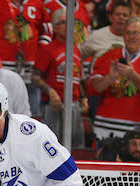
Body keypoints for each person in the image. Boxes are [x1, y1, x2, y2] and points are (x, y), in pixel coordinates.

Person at [89, 17, 140, 145]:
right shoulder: (108, 56)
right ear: (123, 35)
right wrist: (110, 77)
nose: (131, 37)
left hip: (136, 135)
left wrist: (132, 74)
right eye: (128, 33)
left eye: (136, 33)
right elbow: (92, 88)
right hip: (105, 131)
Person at [32, 9, 87, 147]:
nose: (67, 26)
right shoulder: (47, 49)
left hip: (74, 106)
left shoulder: (76, 49)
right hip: (53, 106)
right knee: (51, 147)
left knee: (76, 148)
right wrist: (50, 91)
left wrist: (83, 99)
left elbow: (78, 78)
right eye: (62, 22)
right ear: (54, 27)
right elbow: (35, 77)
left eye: (70, 22)